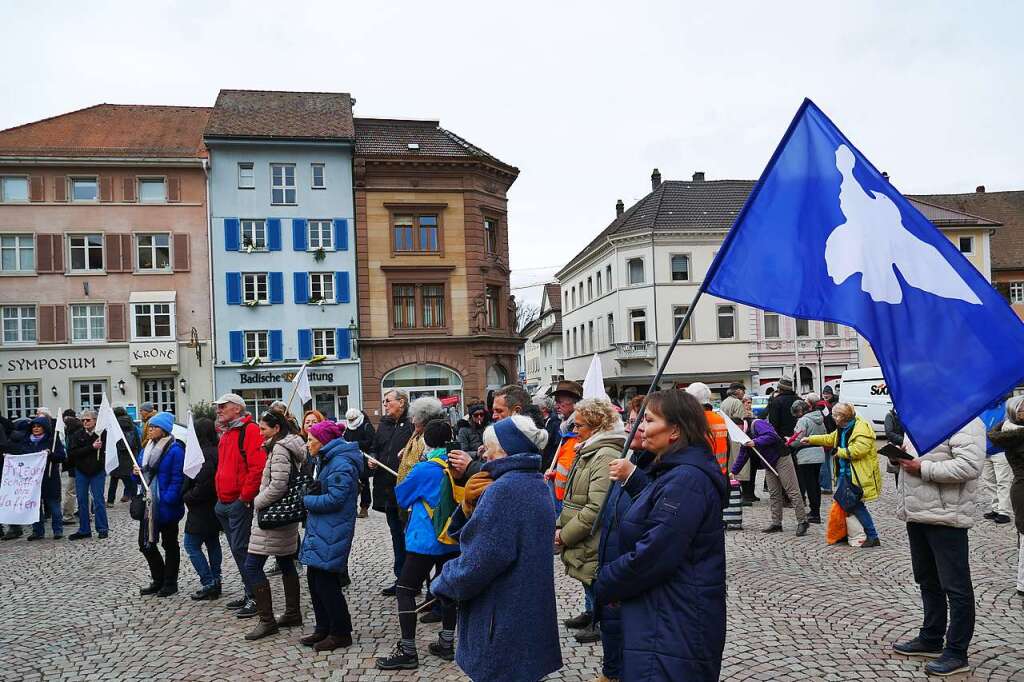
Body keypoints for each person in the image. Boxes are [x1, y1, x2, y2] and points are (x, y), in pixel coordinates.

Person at [592, 390, 728, 681]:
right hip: (662, 613)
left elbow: (655, 552)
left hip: (674, 621)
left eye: (649, 420)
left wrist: (607, 581)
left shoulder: (685, 480)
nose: (640, 427)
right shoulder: (668, 472)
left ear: (675, 430)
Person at [431, 414, 562, 682]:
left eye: (487, 448)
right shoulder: (534, 482)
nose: (483, 453)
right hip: (524, 611)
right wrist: (471, 507)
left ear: (503, 450)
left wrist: (444, 583)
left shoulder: (504, 490)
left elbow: (481, 560)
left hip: (501, 616)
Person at [891, 418, 985, 676]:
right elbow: (915, 459)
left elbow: (969, 466)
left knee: (956, 587)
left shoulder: (967, 421)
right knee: (927, 580)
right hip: (917, 512)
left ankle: (957, 652)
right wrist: (898, 458)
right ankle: (931, 637)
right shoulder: (922, 419)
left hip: (946, 516)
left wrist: (922, 467)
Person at [377, 420, 461, 671]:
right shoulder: (458, 465)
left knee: (405, 590)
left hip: (425, 539)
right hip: (452, 538)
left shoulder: (425, 469)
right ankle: (446, 642)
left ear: (427, 441)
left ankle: (408, 650)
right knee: (447, 590)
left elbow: (402, 497)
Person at [557, 398, 624, 644]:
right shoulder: (590, 449)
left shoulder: (605, 454)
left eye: (580, 426)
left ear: (596, 427)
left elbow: (597, 507)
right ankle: (591, 612)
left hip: (594, 532)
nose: (575, 431)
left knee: (595, 574)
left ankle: (600, 620)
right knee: (587, 574)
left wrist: (565, 534)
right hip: (583, 530)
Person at [597, 395, 654, 682]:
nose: (636, 429)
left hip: (631, 569)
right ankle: (612, 672)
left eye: (644, 422)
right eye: (632, 422)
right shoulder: (629, 461)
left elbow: (650, 517)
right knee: (612, 626)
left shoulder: (652, 469)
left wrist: (634, 478)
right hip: (613, 561)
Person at [240, 410, 307, 640]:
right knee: (286, 562)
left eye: (264, 429)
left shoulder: (279, 449)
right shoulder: (288, 445)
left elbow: (278, 485)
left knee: (252, 566)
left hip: (272, 517)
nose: (260, 433)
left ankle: (267, 621)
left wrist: (257, 502)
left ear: (277, 428)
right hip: (284, 517)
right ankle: (292, 612)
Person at [300, 419, 362, 651]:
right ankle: (323, 627)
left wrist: (307, 500)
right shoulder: (329, 460)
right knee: (315, 580)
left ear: (323, 441)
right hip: (323, 527)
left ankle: (340, 632)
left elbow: (337, 499)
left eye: (311, 440)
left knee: (326, 583)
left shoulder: (341, 463)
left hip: (334, 528)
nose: (307, 444)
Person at [213, 393, 268, 618]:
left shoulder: (249, 430)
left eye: (222, 406)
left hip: (238, 502)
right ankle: (250, 592)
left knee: (242, 549)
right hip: (225, 501)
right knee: (238, 550)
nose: (219, 410)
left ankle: (256, 596)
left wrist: (244, 498)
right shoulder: (228, 432)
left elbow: (257, 468)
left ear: (237, 408)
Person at [804, 402, 883, 547]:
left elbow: (858, 450)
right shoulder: (842, 428)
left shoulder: (861, 428)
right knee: (844, 505)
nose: (832, 417)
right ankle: (844, 534)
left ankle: (872, 535)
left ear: (841, 417)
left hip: (856, 474)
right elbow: (830, 438)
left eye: (835, 415)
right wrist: (810, 439)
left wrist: (837, 452)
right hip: (844, 474)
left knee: (855, 505)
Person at [134, 412, 185, 597]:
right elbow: (141, 475)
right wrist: (136, 472)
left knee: (170, 544)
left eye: (154, 427)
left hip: (166, 505)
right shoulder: (146, 447)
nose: (149, 430)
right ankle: (159, 578)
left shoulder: (175, 449)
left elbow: (178, 478)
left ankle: (170, 582)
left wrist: (167, 500)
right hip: (149, 504)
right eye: (149, 426)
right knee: (145, 543)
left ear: (163, 430)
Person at [732, 414, 809, 536]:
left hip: (781, 458)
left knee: (792, 491)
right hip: (768, 462)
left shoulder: (757, 424)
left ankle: (802, 521)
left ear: (740, 425)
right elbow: (743, 454)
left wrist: (755, 442)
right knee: (774, 493)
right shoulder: (743, 435)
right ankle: (776, 523)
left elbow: (771, 435)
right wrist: (733, 471)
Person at [371, 389, 415, 595]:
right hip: (387, 489)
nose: (385, 404)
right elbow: (375, 447)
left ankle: (412, 579)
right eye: (384, 401)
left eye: (388, 401)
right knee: (396, 534)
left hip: (405, 489)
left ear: (402, 402)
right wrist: (372, 458)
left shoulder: (413, 425)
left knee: (408, 534)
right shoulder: (384, 424)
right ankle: (401, 578)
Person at [986, 395, 1024, 597]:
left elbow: (993, 433)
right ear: (1014, 414)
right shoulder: (1018, 436)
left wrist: (1004, 421)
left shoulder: (1009, 432)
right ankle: (1022, 583)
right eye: (1022, 408)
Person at [183, 417, 223, 601]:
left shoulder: (204, 453)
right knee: (212, 542)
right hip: (214, 505)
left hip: (202, 506)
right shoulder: (217, 449)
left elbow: (204, 483)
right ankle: (216, 579)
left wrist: (188, 496)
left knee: (191, 544)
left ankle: (209, 582)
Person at [65, 409, 109, 540]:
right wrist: (91, 447)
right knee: (82, 501)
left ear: (95, 421)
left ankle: (102, 528)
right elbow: (73, 452)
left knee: (98, 500)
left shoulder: (103, 434)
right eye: (83, 420)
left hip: (97, 471)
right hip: (81, 471)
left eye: (88, 420)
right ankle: (84, 529)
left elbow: (110, 450)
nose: (85, 422)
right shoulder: (77, 435)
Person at [23, 416, 66, 540]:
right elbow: (22, 455)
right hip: (33, 480)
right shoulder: (27, 441)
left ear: (44, 428)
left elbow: (62, 457)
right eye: (34, 426)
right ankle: (37, 531)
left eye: (38, 426)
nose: (36, 429)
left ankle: (58, 530)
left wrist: (50, 454)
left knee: (54, 506)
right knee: (35, 507)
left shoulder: (52, 441)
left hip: (49, 478)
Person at [545, 380, 583, 510]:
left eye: (560, 401)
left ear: (575, 403)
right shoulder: (565, 426)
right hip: (561, 495)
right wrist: (556, 473)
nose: (556, 405)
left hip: (570, 499)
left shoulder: (579, 428)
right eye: (556, 402)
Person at [791, 399, 827, 523]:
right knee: (816, 484)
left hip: (806, 455)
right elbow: (824, 434)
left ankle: (815, 514)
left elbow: (798, 439)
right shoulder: (820, 418)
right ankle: (816, 510)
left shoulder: (803, 421)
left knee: (809, 485)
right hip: (819, 453)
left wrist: (789, 442)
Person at [396, 397, 445, 484]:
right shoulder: (416, 435)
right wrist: (404, 456)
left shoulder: (430, 440)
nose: (413, 421)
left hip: (420, 486)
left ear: (425, 420)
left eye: (416, 417)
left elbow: (430, 462)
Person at [979, 400, 1013, 524]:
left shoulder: (1006, 407)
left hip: (1000, 450)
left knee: (1002, 481)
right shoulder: (982, 408)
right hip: (985, 451)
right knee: (989, 481)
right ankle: (996, 508)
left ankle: (1004, 512)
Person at [342, 408, 375, 518]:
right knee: (352, 483)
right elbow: (345, 439)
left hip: (363, 459)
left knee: (364, 483)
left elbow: (371, 441)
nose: (351, 422)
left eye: (353, 419)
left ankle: (364, 506)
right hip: (351, 458)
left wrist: (355, 444)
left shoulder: (366, 426)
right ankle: (352, 507)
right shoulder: (348, 428)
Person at [107, 406, 141, 504]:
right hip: (131, 456)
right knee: (131, 479)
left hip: (118, 456)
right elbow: (138, 442)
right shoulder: (132, 425)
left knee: (114, 479)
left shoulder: (114, 426)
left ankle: (110, 501)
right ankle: (134, 499)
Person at [59, 409, 79, 522]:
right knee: (83, 490)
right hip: (80, 465)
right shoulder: (80, 429)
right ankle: (86, 512)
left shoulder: (70, 432)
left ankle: (68, 516)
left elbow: (70, 451)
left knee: (70, 491)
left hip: (74, 465)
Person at [533, 394, 561, 472]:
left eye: (534, 407)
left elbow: (555, 447)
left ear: (543, 409)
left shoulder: (554, 423)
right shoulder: (538, 422)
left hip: (548, 467)